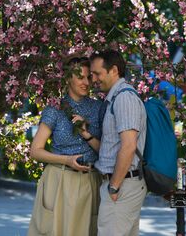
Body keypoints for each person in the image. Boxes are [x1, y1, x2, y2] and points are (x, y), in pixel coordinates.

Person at [27, 56, 102, 236]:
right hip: (59, 179)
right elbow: (35, 151)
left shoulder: (99, 108)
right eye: (80, 77)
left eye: (89, 77)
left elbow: (105, 151)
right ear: (68, 78)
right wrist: (67, 160)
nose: (86, 82)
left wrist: (87, 134)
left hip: (90, 180)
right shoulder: (55, 109)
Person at [90, 50, 147, 236]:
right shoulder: (115, 98)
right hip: (123, 184)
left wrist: (114, 186)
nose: (93, 79)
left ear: (114, 70)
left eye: (97, 73)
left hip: (122, 185)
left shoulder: (124, 98)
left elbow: (129, 146)